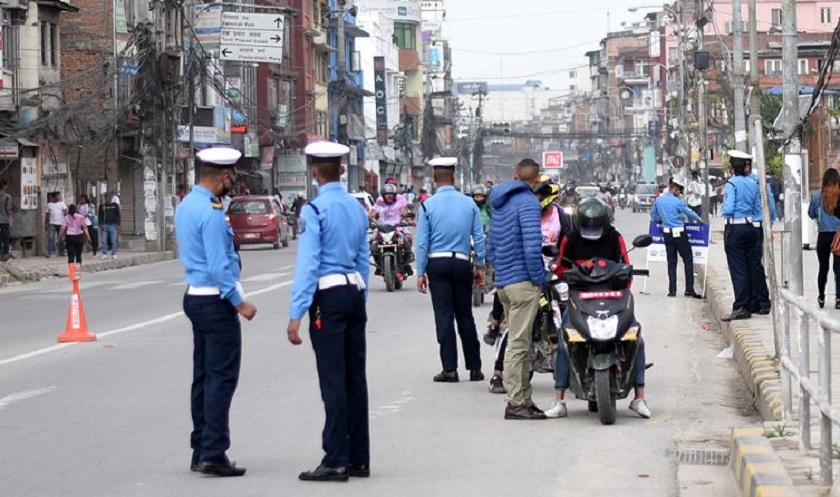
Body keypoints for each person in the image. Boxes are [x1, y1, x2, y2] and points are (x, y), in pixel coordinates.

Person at [287, 141, 370, 482]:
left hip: (329, 296)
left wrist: (297, 312)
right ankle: (359, 458)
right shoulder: (356, 207)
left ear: (314, 172)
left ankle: (335, 458)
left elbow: (308, 265)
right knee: (354, 379)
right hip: (353, 292)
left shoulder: (314, 210)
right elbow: (364, 258)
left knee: (332, 380)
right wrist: (360, 295)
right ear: (340, 170)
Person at [175, 146, 257, 478]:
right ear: (223, 176)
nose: (232, 183)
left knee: (203, 377)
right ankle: (213, 452)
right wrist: (239, 302)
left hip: (195, 296)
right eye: (232, 177)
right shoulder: (210, 211)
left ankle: (200, 448)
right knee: (222, 378)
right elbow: (218, 264)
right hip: (215, 300)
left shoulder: (185, 205)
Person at [549, 197, 651, 419]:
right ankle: (559, 400)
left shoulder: (615, 238)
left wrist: (622, 288)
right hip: (580, 298)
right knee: (564, 340)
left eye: (597, 226)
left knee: (636, 338)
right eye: (588, 226)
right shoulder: (571, 238)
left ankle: (639, 397)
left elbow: (626, 268)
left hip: (614, 298)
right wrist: (569, 274)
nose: (592, 230)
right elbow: (559, 267)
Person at [415, 157, 485, 383]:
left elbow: (422, 243)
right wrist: (480, 265)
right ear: (453, 176)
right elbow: (479, 238)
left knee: (444, 316)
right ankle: (475, 368)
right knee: (465, 315)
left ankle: (450, 369)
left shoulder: (427, 205)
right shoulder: (469, 204)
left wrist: (420, 272)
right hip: (462, 263)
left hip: (438, 264)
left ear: (435, 179)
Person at [487, 158, 546, 420]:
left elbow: (491, 242)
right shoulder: (529, 203)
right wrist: (538, 278)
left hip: (504, 283)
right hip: (522, 282)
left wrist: (497, 271)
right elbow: (533, 246)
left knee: (519, 342)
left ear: (514, 175)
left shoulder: (498, 202)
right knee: (520, 345)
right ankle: (515, 402)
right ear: (536, 180)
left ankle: (525, 399)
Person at [721, 150, 762, 322]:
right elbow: (757, 208)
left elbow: (729, 208)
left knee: (738, 269)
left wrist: (723, 209)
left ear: (731, 168)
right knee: (750, 266)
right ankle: (752, 303)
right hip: (750, 227)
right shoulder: (753, 184)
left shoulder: (731, 184)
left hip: (735, 228)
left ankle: (740, 307)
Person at [650, 178, 702, 298]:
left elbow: (653, 214)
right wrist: (698, 219)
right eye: (679, 191)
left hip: (667, 234)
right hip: (679, 233)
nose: (679, 194)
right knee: (688, 259)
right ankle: (689, 289)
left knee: (671, 262)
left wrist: (661, 219)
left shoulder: (659, 200)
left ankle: (672, 290)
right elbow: (688, 212)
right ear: (675, 189)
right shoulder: (677, 202)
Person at [808, 168, 840, 309]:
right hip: (838, 236)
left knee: (823, 267)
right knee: (839, 268)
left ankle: (821, 296)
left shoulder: (817, 196)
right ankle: (839, 298)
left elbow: (811, 213)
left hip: (823, 236)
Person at [746, 168, 775, 316]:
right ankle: (755, 301)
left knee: (754, 265)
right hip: (752, 228)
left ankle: (761, 301)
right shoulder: (755, 181)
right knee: (752, 265)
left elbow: (770, 206)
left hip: (752, 227)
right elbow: (772, 208)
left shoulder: (757, 181)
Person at [370, 183, 413, 276]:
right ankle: (379, 265)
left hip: (398, 227)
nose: (389, 196)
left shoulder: (400, 199)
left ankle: (406, 264)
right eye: (387, 194)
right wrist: (372, 221)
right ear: (383, 195)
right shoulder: (379, 201)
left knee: (408, 238)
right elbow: (372, 215)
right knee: (372, 244)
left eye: (391, 194)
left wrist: (409, 220)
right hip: (382, 228)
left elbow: (405, 213)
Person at [98, 193, 121, 259]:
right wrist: (100, 224)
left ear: (111, 198)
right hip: (105, 225)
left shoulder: (115, 205)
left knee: (113, 240)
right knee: (104, 241)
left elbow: (118, 215)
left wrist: (118, 224)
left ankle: (114, 253)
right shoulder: (102, 206)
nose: (108, 198)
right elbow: (100, 216)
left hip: (113, 225)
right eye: (106, 197)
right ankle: (104, 253)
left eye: (109, 197)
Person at [46, 192, 67, 258]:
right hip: (52, 223)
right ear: (53, 197)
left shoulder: (62, 204)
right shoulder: (49, 205)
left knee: (61, 238)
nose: (58, 198)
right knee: (51, 238)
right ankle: (49, 252)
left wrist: (66, 222)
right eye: (57, 196)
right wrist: (46, 224)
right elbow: (47, 215)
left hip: (61, 223)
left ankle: (62, 251)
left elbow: (66, 212)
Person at [0, 179, 12, 261]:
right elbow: (9, 210)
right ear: (4, 186)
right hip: (4, 221)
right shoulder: (7, 196)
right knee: (6, 238)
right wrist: (10, 221)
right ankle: (5, 255)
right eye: (6, 185)